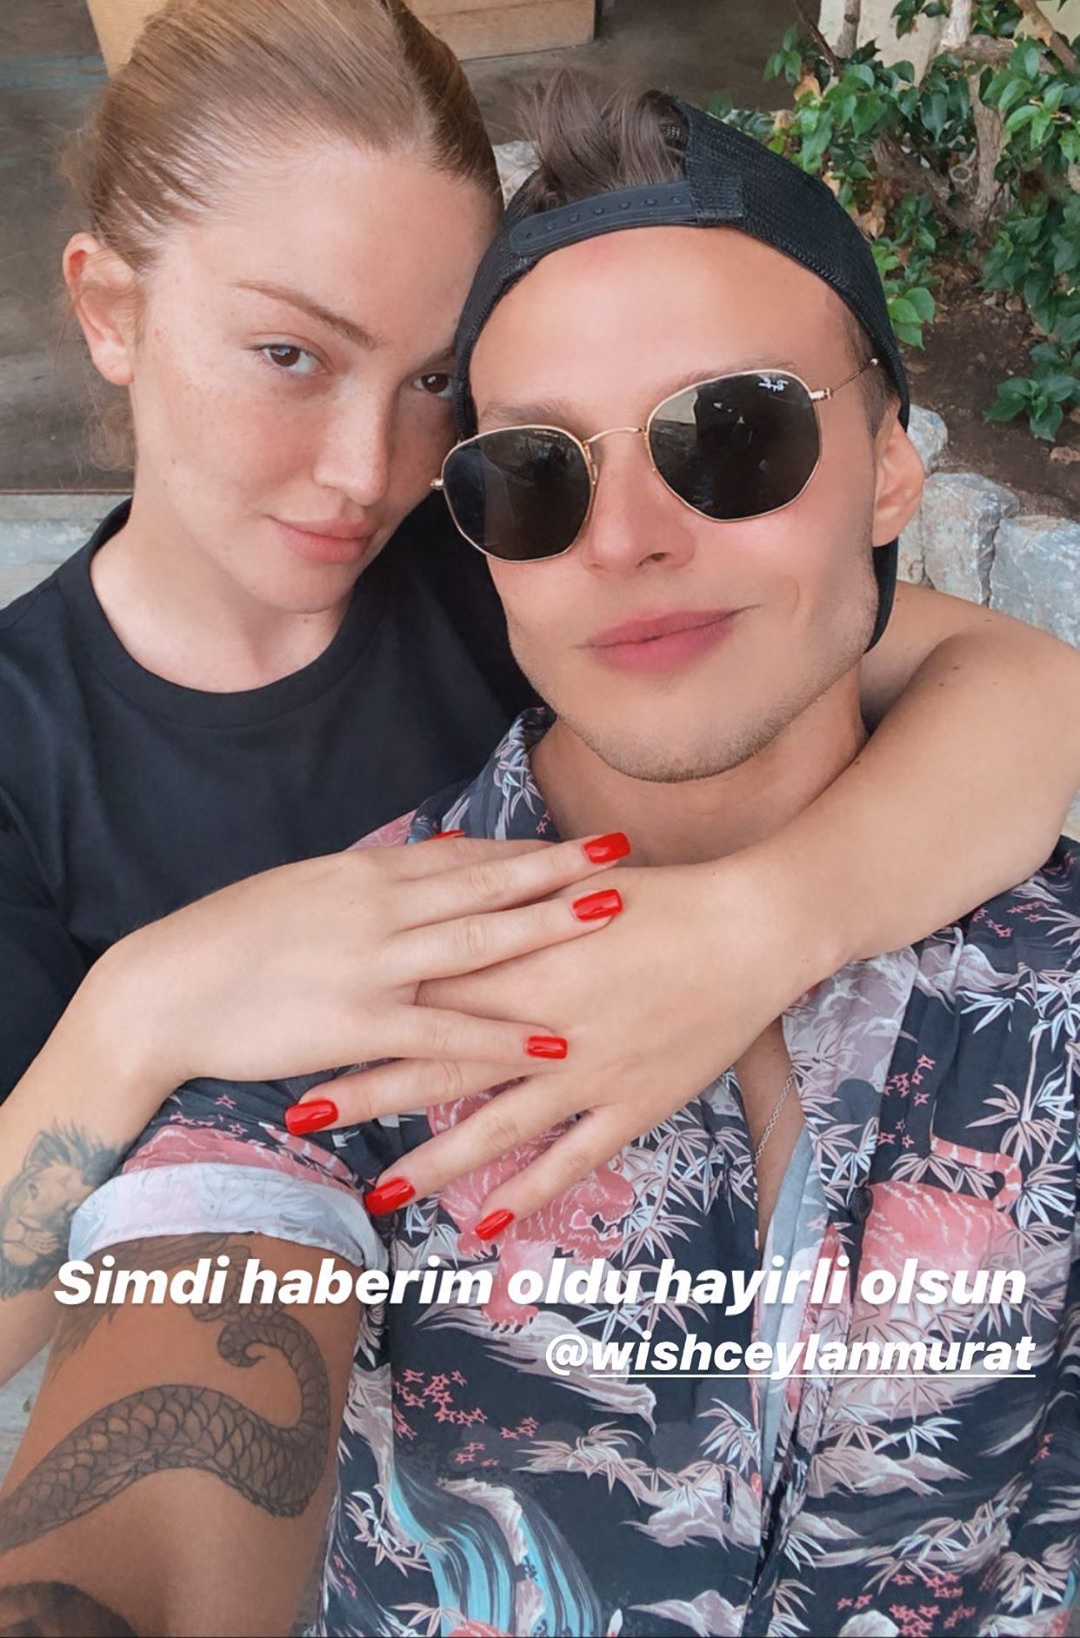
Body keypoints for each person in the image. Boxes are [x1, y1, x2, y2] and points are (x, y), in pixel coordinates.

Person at [0, 83, 1077, 1638]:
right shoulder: (335, 1001)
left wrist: (762, 923)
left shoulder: (1042, 963)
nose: (622, 537)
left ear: (893, 470)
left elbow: (1028, 683)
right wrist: (136, 1008)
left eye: (736, 434)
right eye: (534, 474)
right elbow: (176, 1387)